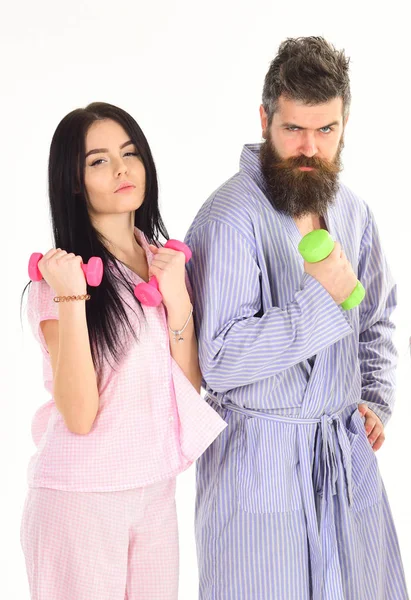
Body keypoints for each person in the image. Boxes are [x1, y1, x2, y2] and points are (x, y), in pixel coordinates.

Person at [185, 37, 409, 599]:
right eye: (293, 129)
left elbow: (378, 315)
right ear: (265, 119)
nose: (310, 147)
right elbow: (219, 359)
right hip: (259, 466)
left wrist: (375, 398)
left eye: (326, 130)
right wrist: (322, 299)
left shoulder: (352, 211)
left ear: (344, 123)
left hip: (342, 455)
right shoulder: (230, 219)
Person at [20, 102, 226, 600]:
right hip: (81, 498)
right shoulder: (58, 280)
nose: (121, 169)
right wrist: (71, 296)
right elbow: (79, 415)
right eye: (98, 160)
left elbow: (188, 388)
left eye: (129, 153)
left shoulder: (162, 264)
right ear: (74, 182)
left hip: (154, 491)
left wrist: (177, 300)